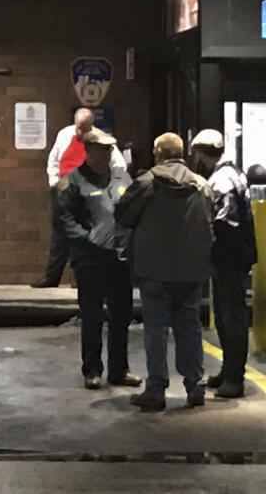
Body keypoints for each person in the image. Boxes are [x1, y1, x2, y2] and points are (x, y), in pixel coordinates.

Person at [115, 132, 214, 411]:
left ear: (158, 153)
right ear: (183, 154)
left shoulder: (147, 183)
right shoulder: (201, 185)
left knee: (156, 329)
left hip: (154, 270)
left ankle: (156, 390)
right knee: (190, 328)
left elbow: (123, 214)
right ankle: (195, 386)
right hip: (192, 271)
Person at [57, 128, 139, 390]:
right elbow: (64, 218)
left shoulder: (121, 177)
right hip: (89, 259)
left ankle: (119, 369)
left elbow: (132, 209)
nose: (106, 154)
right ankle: (92, 370)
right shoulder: (72, 181)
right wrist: (86, 238)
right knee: (92, 316)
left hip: (119, 258)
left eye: (109, 150)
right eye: (101, 150)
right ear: (89, 150)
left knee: (121, 315)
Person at [190, 129, 257, 399]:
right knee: (226, 316)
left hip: (229, 259)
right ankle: (228, 371)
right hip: (235, 257)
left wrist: (212, 251)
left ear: (201, 152)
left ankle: (234, 378)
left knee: (232, 317)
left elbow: (225, 223)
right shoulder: (235, 172)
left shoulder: (221, 180)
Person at [33, 108, 127, 288]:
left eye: (84, 128)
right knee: (59, 234)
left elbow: (119, 165)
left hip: (89, 194)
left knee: (85, 235)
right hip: (63, 190)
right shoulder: (64, 135)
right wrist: (54, 181)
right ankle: (52, 276)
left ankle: (80, 277)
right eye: (78, 127)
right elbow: (53, 160)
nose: (80, 132)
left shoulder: (100, 140)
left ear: (91, 124)